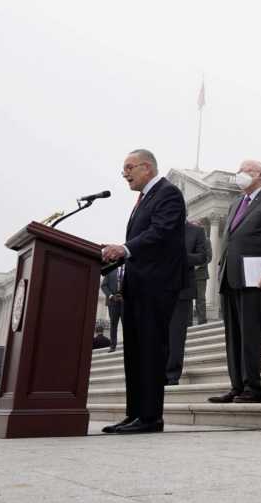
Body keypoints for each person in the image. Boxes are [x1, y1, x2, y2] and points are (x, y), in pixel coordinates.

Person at [99, 149, 188, 434]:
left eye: (129, 167)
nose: (125, 173)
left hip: (156, 285)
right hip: (137, 285)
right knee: (135, 351)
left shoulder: (168, 193)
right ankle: (135, 413)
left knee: (150, 349)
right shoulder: (145, 198)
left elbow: (160, 232)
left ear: (146, 168)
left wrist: (124, 249)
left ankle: (150, 417)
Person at [207, 160, 261, 404]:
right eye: (239, 170)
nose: (241, 175)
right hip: (230, 277)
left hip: (255, 278)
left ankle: (253, 385)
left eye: (247, 171)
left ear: (260, 176)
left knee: (250, 333)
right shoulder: (234, 204)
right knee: (233, 336)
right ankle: (236, 385)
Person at [166, 220, 209, 385]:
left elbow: (202, 256)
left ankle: (171, 375)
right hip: (156, 289)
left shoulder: (196, 231)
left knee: (176, 335)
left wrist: (181, 256)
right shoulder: (158, 228)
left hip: (182, 289)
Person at [191, 221, 213, 325]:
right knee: (188, 298)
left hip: (201, 274)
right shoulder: (188, 239)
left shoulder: (206, 240)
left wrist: (197, 265)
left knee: (201, 299)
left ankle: (202, 321)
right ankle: (188, 321)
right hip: (189, 274)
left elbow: (209, 257)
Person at [101, 266, 123, 352]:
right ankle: (113, 346)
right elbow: (103, 285)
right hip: (113, 302)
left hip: (124, 302)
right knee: (113, 324)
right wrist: (111, 296)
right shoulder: (110, 271)